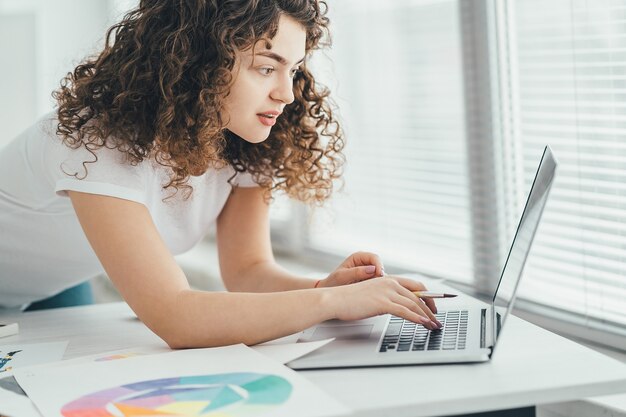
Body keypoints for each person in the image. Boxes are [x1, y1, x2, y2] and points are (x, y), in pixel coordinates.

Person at [0, 0, 441, 348]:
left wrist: (326, 286)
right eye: (267, 68)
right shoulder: (97, 141)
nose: (286, 93)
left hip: (51, 286)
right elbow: (176, 317)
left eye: (294, 69)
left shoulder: (246, 139)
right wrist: (331, 302)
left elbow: (248, 272)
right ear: (196, 63)